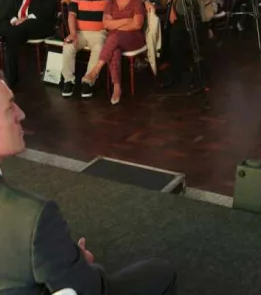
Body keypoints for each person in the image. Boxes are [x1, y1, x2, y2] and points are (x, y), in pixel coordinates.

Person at [0, 74, 177, 294]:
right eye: (9, 108)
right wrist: (81, 264)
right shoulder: (34, 218)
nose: (21, 113)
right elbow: (85, 288)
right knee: (160, 272)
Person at [83, 0, 146, 105]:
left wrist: (116, 24)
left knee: (114, 36)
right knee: (114, 49)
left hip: (134, 39)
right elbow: (106, 24)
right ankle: (117, 88)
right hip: (116, 40)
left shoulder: (137, 2)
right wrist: (126, 20)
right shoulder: (110, 3)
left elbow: (137, 25)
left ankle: (96, 69)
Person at [61, 0, 113, 98]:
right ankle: (68, 81)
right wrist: (72, 33)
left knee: (99, 47)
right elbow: (71, 15)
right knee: (68, 46)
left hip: (99, 32)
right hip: (79, 32)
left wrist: (145, 3)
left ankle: (88, 81)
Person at [3, 0, 56, 87]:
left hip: (39, 24)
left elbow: (47, 10)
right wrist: (14, 19)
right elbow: (11, 8)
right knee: (8, 31)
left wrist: (25, 19)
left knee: (11, 34)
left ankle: (10, 80)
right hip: (20, 25)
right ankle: (10, 76)